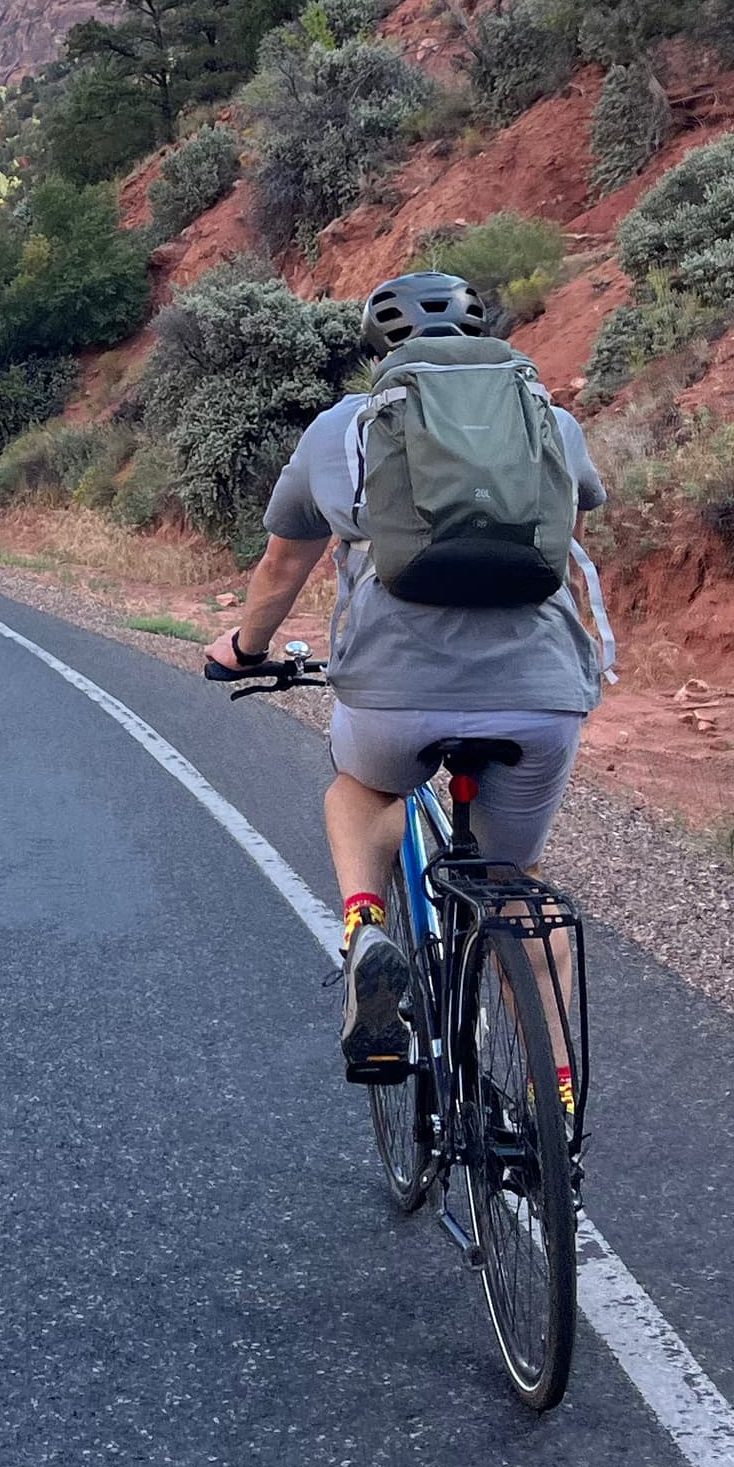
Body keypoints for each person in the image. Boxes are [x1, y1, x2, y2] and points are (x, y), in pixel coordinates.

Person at [204, 269, 608, 1080]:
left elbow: (282, 565)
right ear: (478, 333)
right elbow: (572, 517)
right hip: (541, 691)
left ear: (378, 350)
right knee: (516, 885)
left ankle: (366, 929)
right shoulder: (548, 420)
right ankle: (557, 1097)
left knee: (364, 791)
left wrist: (245, 648)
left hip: (395, 689)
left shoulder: (341, 429)